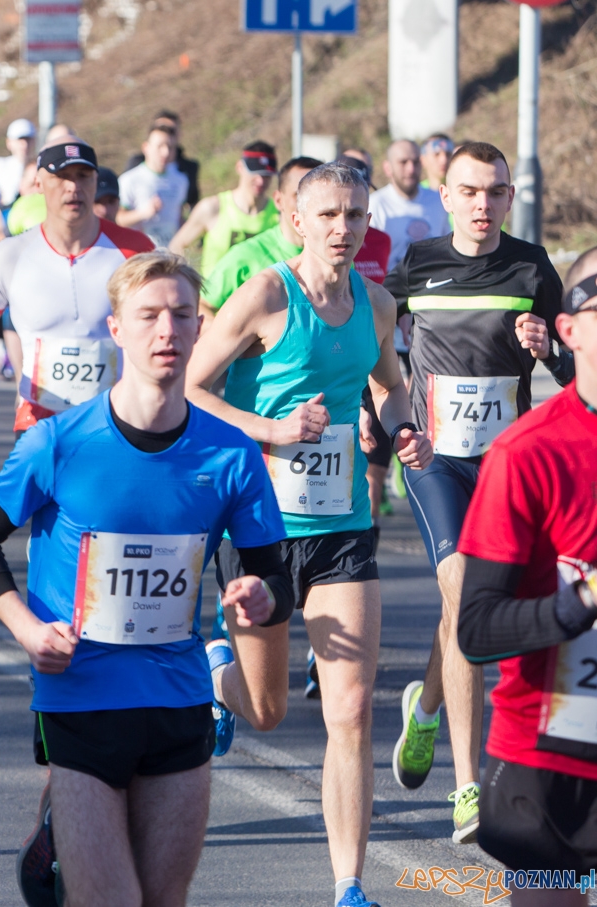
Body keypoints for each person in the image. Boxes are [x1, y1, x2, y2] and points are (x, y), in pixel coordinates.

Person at [0, 252, 292, 907]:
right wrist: (27, 630)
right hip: (80, 699)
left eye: (182, 315)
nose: (167, 329)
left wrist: (262, 595)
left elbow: (276, 575)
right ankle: (60, 825)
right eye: (149, 315)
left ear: (200, 328)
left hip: (178, 700)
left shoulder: (232, 454)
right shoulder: (58, 443)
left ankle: (61, 834)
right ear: (116, 329)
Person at [185, 161, 434, 907]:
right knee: (266, 710)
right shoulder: (266, 295)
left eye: (354, 215)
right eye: (327, 215)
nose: (342, 228)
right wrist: (270, 428)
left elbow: (389, 386)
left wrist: (404, 429)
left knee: (350, 709)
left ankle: (348, 885)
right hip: (260, 526)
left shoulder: (377, 303)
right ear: (296, 221)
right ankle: (216, 676)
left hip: (343, 525)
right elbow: (191, 387)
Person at [384, 141, 574, 845]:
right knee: (464, 592)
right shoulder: (417, 264)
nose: (482, 205)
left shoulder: (531, 266)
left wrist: (547, 348)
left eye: (495, 192)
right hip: (436, 460)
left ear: (509, 198)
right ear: (445, 196)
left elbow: (573, 360)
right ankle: (467, 787)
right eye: (469, 191)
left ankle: (426, 707)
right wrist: (383, 421)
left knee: (464, 607)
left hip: (504, 465)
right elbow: (374, 341)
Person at [456, 245, 597, 903]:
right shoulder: (529, 451)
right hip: (548, 762)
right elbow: (477, 628)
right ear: (568, 328)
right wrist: (577, 602)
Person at [0, 141, 155, 433]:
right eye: (62, 177)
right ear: (38, 183)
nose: (73, 187)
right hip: (38, 426)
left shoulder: (136, 251)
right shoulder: (11, 255)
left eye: (83, 176)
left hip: (118, 424)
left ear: (95, 181)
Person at [200, 157, 323, 315]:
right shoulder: (245, 256)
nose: (310, 205)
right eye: (299, 196)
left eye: (319, 197)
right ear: (278, 200)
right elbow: (202, 306)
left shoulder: (337, 257)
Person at [169, 142, 279, 274]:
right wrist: (188, 280)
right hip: (214, 288)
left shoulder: (279, 214)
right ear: (239, 167)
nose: (261, 181)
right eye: (255, 173)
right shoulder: (213, 208)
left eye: (266, 175)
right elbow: (176, 245)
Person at [369, 139, 449, 273]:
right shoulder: (375, 204)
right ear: (388, 168)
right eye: (403, 162)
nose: (411, 169)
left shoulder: (438, 200)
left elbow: (448, 248)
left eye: (415, 162)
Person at [117, 122, 189, 248]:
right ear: (146, 148)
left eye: (170, 147)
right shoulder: (129, 180)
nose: (166, 152)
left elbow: (178, 216)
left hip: (170, 254)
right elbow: (118, 219)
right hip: (141, 253)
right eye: (160, 146)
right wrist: (143, 213)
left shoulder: (181, 180)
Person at [124, 109, 201, 207]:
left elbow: (191, 203)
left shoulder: (186, 170)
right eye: (161, 127)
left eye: (172, 130)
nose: (165, 153)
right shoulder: (135, 166)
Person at [0, 119, 37, 207]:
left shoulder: (42, 167)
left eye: (28, 139)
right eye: (19, 140)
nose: (24, 144)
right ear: (9, 142)